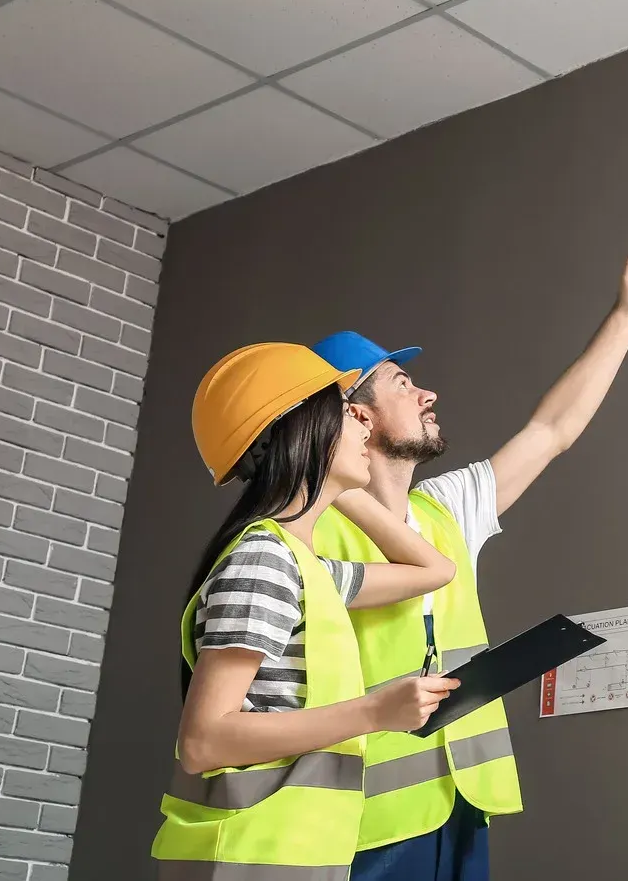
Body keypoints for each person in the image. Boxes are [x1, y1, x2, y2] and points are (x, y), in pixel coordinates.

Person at [310, 230, 628, 880]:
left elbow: (552, 430)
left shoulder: (444, 510)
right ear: (355, 416)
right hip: (364, 827)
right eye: (404, 383)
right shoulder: (309, 534)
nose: (428, 395)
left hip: (460, 809)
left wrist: (626, 316)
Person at [152, 342, 467, 880]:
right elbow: (203, 741)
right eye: (347, 412)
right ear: (305, 431)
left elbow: (433, 571)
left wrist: (329, 484)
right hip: (249, 860)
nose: (364, 420)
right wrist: (374, 712)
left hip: (295, 856)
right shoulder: (263, 562)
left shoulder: (305, 568)